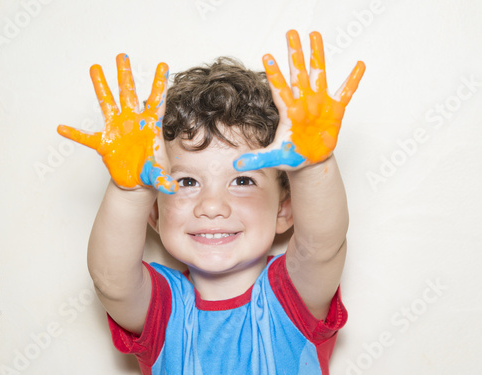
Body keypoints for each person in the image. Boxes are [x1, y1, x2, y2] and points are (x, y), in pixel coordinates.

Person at [57, 29, 365, 375]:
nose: (212, 205)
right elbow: (110, 280)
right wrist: (130, 190)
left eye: (243, 180)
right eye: (187, 181)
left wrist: (314, 165)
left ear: (284, 210)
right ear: (155, 213)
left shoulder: (291, 294)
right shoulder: (164, 309)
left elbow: (322, 244)